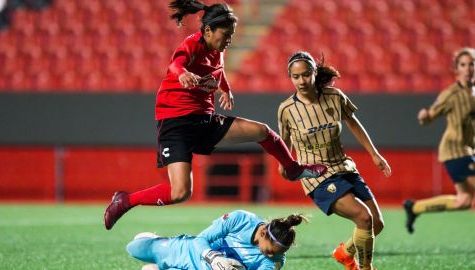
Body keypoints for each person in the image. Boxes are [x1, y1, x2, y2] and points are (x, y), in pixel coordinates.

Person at [104, 0, 327, 230]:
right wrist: (182, 73)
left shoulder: (217, 51)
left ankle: (292, 168)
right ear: (208, 30)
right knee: (180, 192)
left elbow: (218, 73)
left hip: (204, 120)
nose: (229, 40)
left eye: (232, 34)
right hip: (176, 122)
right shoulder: (193, 44)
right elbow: (176, 63)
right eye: (226, 34)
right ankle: (125, 201)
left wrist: (226, 90)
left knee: (262, 131)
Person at [277, 51, 391, 270]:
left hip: (344, 166)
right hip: (317, 176)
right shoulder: (286, 109)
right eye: (296, 76)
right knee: (364, 218)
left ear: (314, 73)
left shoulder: (335, 96)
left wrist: (375, 154)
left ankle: (345, 252)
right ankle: (365, 268)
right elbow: (284, 142)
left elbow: (354, 123)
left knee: (376, 224)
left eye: (306, 74)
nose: (301, 81)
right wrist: (285, 165)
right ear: (290, 78)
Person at [403, 47, 475, 234]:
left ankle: (414, 207)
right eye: (463, 65)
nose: (468, 68)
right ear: (456, 69)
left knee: (464, 201)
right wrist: (424, 116)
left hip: (468, 150)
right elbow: (430, 116)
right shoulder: (451, 94)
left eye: (472, 64)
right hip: (454, 150)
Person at [125, 210, 307, 270]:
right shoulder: (241, 219)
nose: (269, 255)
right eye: (269, 250)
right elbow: (200, 239)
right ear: (263, 232)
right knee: (134, 248)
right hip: (193, 253)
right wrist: (215, 258)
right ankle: (155, 241)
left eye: (275, 254)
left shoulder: (275, 261)